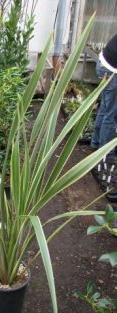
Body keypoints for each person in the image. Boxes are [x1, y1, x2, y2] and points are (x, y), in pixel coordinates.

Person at [91, 34, 117, 200]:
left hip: (103, 64)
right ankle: (106, 157)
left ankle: (96, 145)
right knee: (111, 116)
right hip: (112, 70)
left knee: (105, 109)